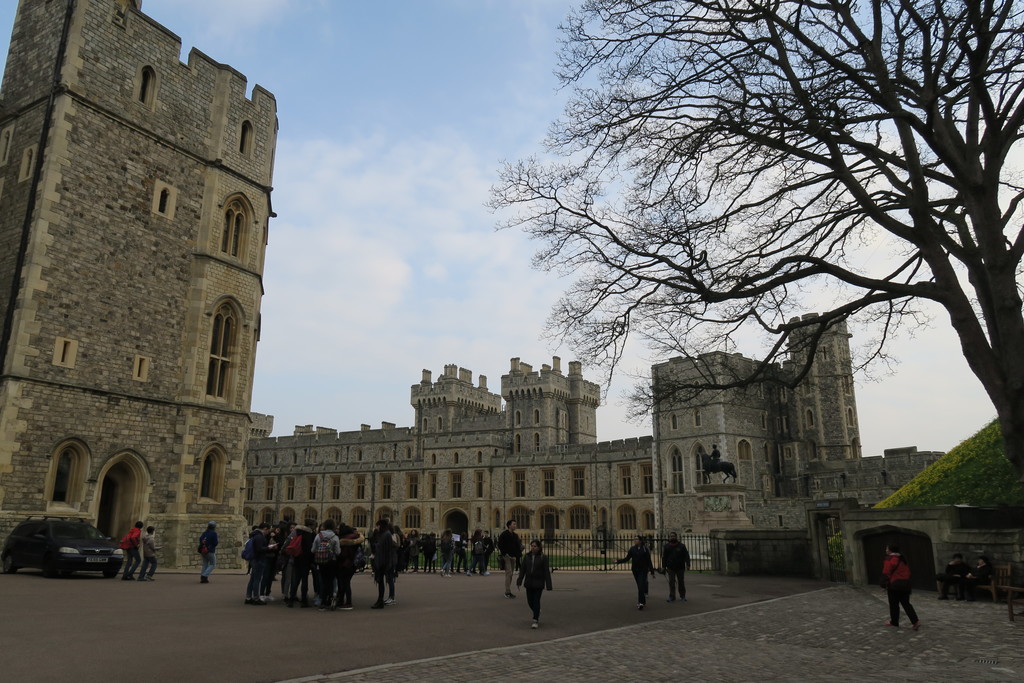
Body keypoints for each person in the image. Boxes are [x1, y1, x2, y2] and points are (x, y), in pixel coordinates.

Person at [881, 544, 920, 630]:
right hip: (905, 584)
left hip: (894, 585)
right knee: (906, 604)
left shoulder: (889, 559)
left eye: (887, 548)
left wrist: (883, 584)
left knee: (894, 604)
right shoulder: (902, 558)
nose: (886, 550)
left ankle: (894, 622)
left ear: (890, 550)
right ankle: (915, 621)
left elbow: (886, 572)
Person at [516, 539, 553, 629]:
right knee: (530, 601)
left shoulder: (543, 557)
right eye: (532, 546)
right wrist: (519, 581)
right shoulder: (527, 556)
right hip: (529, 582)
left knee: (536, 601)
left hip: (538, 583)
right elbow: (523, 570)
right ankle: (537, 611)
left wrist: (549, 585)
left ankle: (535, 619)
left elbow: (546, 572)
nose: (533, 548)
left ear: (539, 547)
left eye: (535, 546)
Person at [617, 535, 656, 609]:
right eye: (634, 539)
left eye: (636, 539)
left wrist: (652, 572)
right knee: (640, 586)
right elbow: (627, 558)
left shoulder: (645, 549)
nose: (635, 540)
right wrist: (618, 561)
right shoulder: (632, 549)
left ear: (640, 541)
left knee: (641, 585)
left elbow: (649, 561)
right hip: (635, 570)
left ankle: (640, 602)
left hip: (643, 570)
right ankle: (643, 601)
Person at [312, 520, 341, 611]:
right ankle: (329, 601)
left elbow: (313, 550)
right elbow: (338, 552)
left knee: (323, 581)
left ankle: (323, 602)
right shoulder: (335, 537)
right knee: (331, 581)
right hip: (331, 562)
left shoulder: (318, 535)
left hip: (321, 562)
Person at [336, 522, 365, 610]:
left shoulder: (345, 540)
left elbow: (344, 554)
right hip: (352, 564)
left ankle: (348, 603)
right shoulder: (356, 538)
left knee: (344, 583)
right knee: (345, 583)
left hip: (346, 564)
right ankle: (341, 601)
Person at [286, 519, 315, 608]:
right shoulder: (311, 534)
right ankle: (304, 601)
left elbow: (288, 541)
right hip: (306, 560)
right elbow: (312, 548)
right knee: (304, 581)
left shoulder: (297, 531)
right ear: (311, 526)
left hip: (297, 558)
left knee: (295, 580)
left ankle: (291, 600)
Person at [370, 518, 397, 608]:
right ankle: (380, 600)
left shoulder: (386, 535)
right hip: (383, 561)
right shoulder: (385, 534)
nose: (376, 527)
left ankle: (380, 601)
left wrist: (372, 542)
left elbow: (379, 547)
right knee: (381, 581)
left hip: (383, 562)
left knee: (381, 581)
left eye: (377, 525)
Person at [245, 523, 275, 605]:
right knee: (257, 580)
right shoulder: (259, 536)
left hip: (255, 559)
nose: (268, 532)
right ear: (265, 528)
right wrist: (269, 547)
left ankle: (248, 597)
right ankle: (255, 598)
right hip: (258, 559)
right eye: (268, 530)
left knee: (252, 579)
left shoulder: (255, 535)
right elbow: (259, 549)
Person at [661, 532, 691, 602]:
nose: (672, 537)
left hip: (680, 567)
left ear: (676, 537)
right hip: (670, 567)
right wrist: (663, 566)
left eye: (674, 536)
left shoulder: (681, 546)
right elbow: (664, 557)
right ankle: (672, 596)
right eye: (671, 536)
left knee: (681, 582)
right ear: (669, 537)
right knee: (671, 582)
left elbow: (686, 555)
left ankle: (683, 596)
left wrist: (688, 564)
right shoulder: (667, 546)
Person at [498, 520, 523, 598]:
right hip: (507, 557)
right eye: (514, 524)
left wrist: (517, 554)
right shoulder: (504, 534)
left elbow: (517, 546)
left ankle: (508, 591)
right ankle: (507, 592)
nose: (515, 526)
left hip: (513, 556)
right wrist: (505, 553)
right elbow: (500, 544)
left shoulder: (515, 535)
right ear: (509, 525)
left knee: (511, 574)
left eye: (515, 524)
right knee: (508, 573)